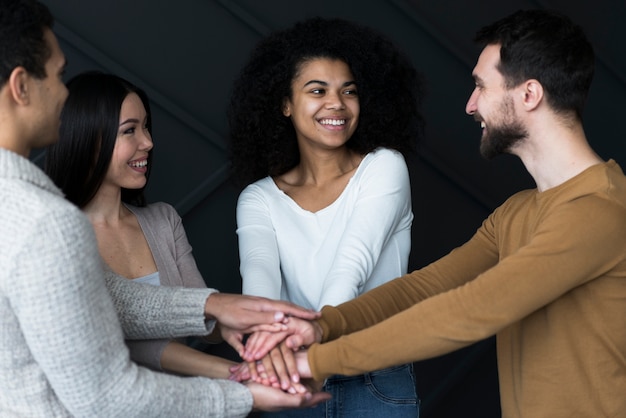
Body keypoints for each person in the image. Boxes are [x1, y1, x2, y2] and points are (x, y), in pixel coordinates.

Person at [236, 9, 626, 418]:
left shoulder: (598, 209)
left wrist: (314, 361)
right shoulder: (517, 212)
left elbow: (471, 309)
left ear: (529, 95)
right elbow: (425, 288)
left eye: (480, 86)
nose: (470, 105)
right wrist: (322, 326)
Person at [0, 0, 330, 416]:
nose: (66, 93)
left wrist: (212, 306)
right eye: (59, 75)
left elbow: (105, 297)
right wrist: (242, 393)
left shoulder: (26, 212)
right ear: (20, 86)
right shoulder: (46, 224)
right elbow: (108, 399)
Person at [228, 17, 423, 417]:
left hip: (374, 375)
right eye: (317, 90)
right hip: (290, 372)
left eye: (348, 91)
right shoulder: (259, 199)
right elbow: (260, 285)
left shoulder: (384, 167)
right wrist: (272, 344)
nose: (336, 103)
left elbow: (350, 267)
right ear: (285, 104)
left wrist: (309, 346)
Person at [45, 70, 235, 379]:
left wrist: (243, 324)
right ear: (89, 138)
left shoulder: (163, 221)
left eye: (145, 126)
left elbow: (206, 324)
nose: (148, 142)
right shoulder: (56, 237)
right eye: (129, 130)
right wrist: (231, 371)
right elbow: (112, 341)